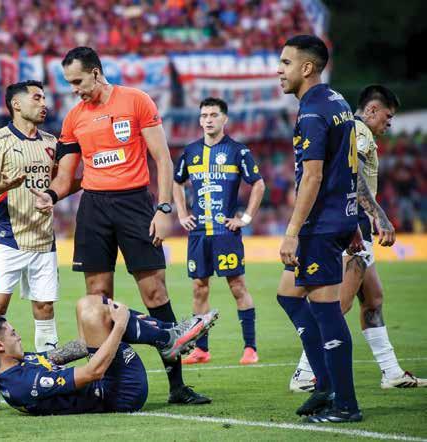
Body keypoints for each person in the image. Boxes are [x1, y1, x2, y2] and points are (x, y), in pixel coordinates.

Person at [34, 46, 209, 404]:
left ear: (96, 73)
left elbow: (162, 158)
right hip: (94, 209)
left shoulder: (137, 101)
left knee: (155, 293)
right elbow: (66, 177)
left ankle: (177, 387)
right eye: (69, 83)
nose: (74, 90)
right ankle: (109, 386)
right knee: (98, 300)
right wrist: (50, 196)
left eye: (78, 81)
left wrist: (163, 208)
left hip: (135, 205)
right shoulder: (73, 119)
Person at [289, 85, 426, 392]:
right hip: (353, 225)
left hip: (352, 223)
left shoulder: (351, 128)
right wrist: (378, 214)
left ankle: (391, 372)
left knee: (373, 300)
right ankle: (304, 372)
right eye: (388, 116)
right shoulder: (360, 130)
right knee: (338, 305)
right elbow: (355, 175)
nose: (389, 123)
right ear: (372, 110)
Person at [275, 35, 362, 423]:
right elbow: (349, 164)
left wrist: (292, 231)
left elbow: (312, 176)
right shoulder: (337, 101)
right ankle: (325, 384)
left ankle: (345, 404)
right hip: (338, 217)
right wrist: (352, 220)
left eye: (286, 63)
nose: (279, 70)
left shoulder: (311, 111)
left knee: (327, 313)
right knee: (288, 295)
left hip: (320, 225)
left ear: (307, 68)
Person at [0, 296, 219, 415]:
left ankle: (168, 335)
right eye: (13, 334)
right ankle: (168, 338)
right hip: (121, 393)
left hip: (110, 383)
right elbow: (93, 372)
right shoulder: (24, 384)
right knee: (94, 315)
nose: (19, 336)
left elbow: (71, 351)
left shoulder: (16, 365)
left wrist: (102, 329)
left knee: (87, 305)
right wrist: (119, 326)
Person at [0, 80, 62, 410]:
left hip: (43, 238)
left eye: (44, 97)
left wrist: (55, 195)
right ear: (16, 105)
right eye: (36, 98)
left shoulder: (52, 143)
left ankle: (49, 373)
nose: (44, 103)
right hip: (8, 238)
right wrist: (6, 185)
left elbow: (61, 180)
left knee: (45, 308)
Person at [173, 97, 265, 365]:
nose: (208, 120)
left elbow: (258, 184)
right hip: (199, 233)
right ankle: (201, 349)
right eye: (204, 115)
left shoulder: (238, 151)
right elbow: (177, 182)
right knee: (199, 289)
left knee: (237, 286)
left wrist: (245, 218)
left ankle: (250, 348)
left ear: (224, 119)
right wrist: (181, 214)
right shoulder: (190, 152)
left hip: (226, 232)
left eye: (214, 115)